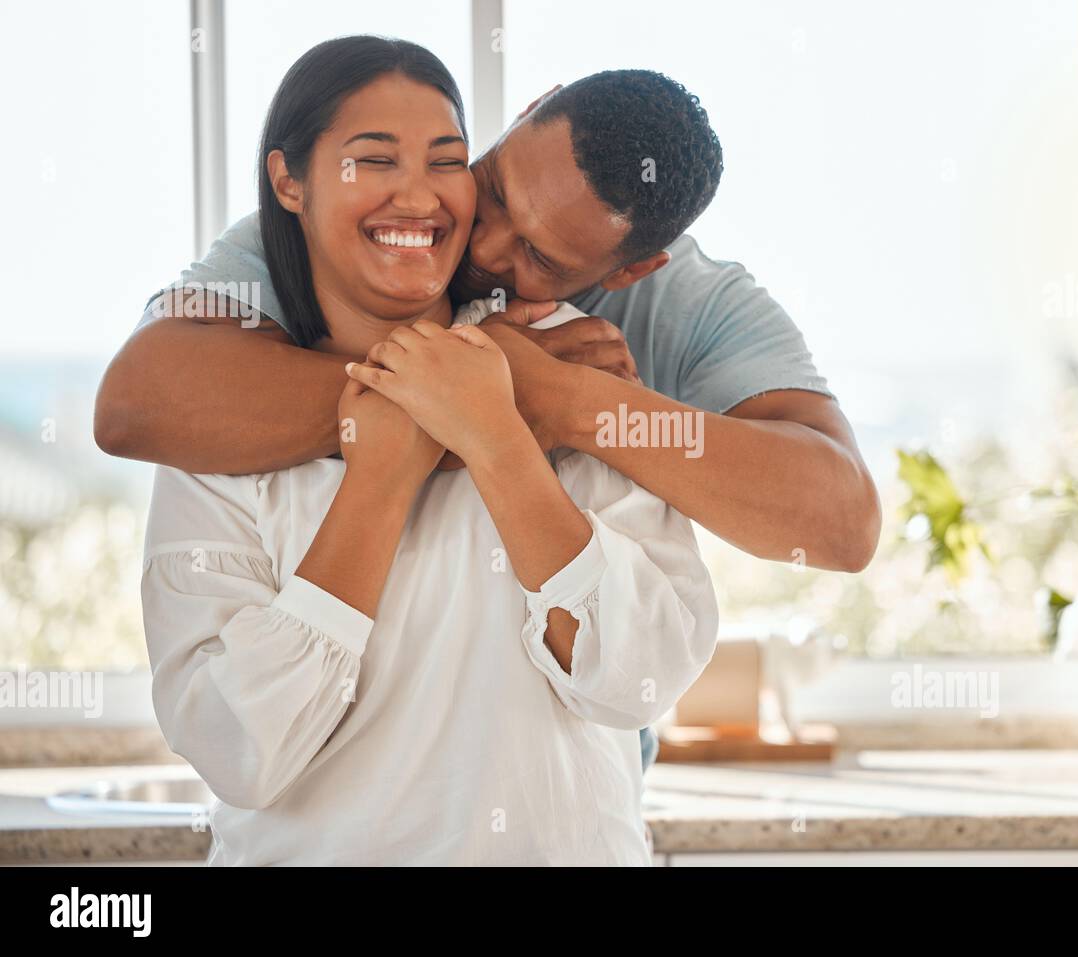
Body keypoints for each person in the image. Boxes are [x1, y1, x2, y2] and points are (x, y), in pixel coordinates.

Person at [96, 52, 882, 775]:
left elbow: (840, 522)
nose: (484, 243)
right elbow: (137, 399)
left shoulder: (689, 303)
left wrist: (565, 400)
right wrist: (472, 386)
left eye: (540, 259)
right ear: (523, 114)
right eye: (497, 187)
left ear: (633, 269)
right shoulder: (365, 229)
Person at [141, 35, 716, 865]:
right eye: (374, 160)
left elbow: (641, 678)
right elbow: (235, 749)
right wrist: (379, 478)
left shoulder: (573, 367)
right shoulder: (223, 411)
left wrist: (498, 439)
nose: (419, 198)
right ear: (289, 181)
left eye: (445, 160)